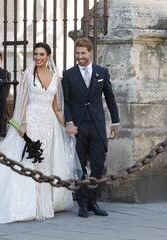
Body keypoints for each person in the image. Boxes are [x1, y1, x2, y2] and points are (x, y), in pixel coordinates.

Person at [0, 42, 79, 223]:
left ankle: (44, 202)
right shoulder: (28, 74)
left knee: (46, 160)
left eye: (41, 54)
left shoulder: (56, 77)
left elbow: (56, 107)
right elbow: (23, 102)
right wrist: (22, 124)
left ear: (48, 56)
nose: (38, 57)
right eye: (35, 54)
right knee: (32, 160)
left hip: (49, 124)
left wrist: (67, 125)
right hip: (31, 122)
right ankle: (34, 205)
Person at [62, 37, 120, 218]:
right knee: (80, 167)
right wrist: (69, 123)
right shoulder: (69, 74)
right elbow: (67, 102)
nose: (79, 56)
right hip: (78, 126)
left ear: (90, 53)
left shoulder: (102, 72)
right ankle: (82, 204)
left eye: (82, 53)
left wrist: (115, 122)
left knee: (97, 165)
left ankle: (93, 201)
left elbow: (110, 98)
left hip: (97, 125)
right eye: (77, 53)